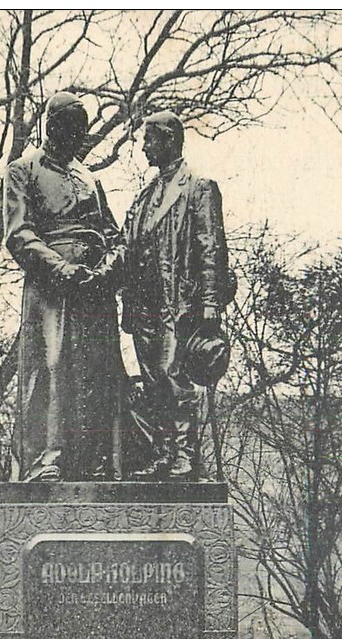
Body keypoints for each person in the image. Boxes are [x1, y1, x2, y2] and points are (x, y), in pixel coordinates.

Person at [3, 92, 126, 481]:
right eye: (71, 128)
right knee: (53, 366)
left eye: (82, 130)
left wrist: (108, 269)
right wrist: (60, 269)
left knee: (98, 370)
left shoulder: (90, 179)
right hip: (51, 286)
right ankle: (47, 460)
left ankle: (96, 460)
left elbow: (115, 235)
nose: (77, 137)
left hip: (94, 287)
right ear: (53, 127)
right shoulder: (23, 170)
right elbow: (20, 234)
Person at [121, 112, 233, 479]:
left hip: (179, 303)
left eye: (149, 139)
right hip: (145, 307)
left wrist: (211, 302)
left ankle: (185, 456)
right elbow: (128, 249)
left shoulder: (198, 189)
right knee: (153, 380)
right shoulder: (144, 197)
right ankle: (162, 454)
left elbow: (211, 248)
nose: (143, 147)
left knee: (175, 378)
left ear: (169, 140)